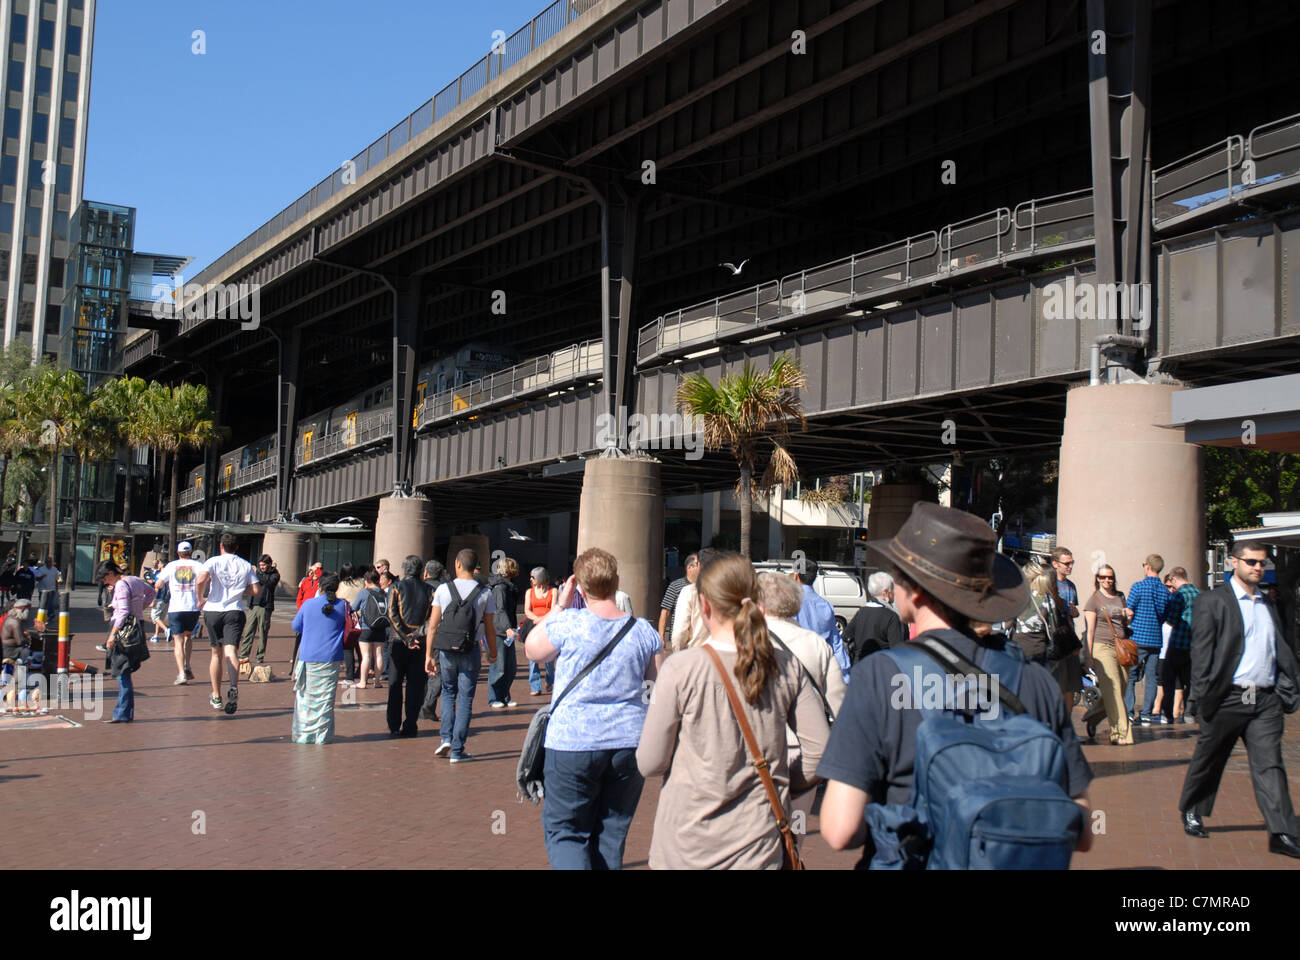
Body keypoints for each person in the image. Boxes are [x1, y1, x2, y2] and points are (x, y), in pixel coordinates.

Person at [818, 502, 1093, 865]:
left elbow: (840, 830)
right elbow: (1084, 831)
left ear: (913, 591)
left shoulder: (881, 676)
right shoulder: (1036, 682)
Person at [637, 553, 829, 869]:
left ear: (705, 605)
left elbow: (650, 762)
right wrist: (781, 780)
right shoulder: (785, 665)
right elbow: (819, 751)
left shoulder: (681, 669)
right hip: (759, 846)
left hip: (686, 846)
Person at [525, 548, 662, 868]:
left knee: (566, 832)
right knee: (611, 834)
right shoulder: (643, 631)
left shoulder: (569, 623)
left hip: (573, 741)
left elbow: (532, 649)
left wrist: (559, 604)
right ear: (617, 582)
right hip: (628, 742)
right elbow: (653, 692)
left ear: (580, 586)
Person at [1179, 542, 1300, 857]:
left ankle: (1282, 832)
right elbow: (1202, 653)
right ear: (1233, 562)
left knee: (1270, 765)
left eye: (1262, 563)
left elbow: (1279, 646)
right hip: (1227, 697)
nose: (1258, 568)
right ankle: (1192, 809)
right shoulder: (1213, 601)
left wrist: (1290, 680)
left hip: (1265, 700)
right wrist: (1199, 699)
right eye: (1251, 562)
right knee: (1211, 757)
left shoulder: (1267, 603)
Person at [426, 549, 496, 762]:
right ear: (475, 567)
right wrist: (492, 653)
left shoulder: (443, 590)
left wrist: (429, 654)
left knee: (448, 692)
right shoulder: (485, 593)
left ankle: (445, 738)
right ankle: (457, 750)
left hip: (446, 649)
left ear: (457, 564)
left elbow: (432, 626)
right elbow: (490, 628)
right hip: (470, 648)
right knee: (466, 699)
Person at [195, 533, 261, 715]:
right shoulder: (246, 564)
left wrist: (200, 598)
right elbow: (256, 589)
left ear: (221, 546)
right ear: (237, 547)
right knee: (231, 650)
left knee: (216, 653)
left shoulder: (213, 561)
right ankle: (233, 686)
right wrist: (240, 590)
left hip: (213, 609)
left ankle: (216, 695)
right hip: (235, 610)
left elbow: (200, 580)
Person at [290, 571, 349, 744]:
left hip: (309, 657)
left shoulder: (308, 604)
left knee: (305, 699)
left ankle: (303, 735)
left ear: (320, 586)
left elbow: (296, 626)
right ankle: (322, 736)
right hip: (331, 657)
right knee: (326, 700)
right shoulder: (343, 606)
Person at [1080, 564, 1134, 744]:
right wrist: (1088, 656)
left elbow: (1124, 624)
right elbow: (1090, 631)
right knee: (1114, 689)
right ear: (1097, 579)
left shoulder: (1120, 597)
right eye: (1102, 577)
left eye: (1109, 577)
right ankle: (1120, 733)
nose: (1106, 580)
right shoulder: (1093, 600)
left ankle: (1093, 716)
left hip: (1121, 647)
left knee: (1120, 689)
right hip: (1101, 647)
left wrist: (1128, 616)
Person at [98, 561, 156, 724]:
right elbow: (151, 592)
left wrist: (112, 635)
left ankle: (122, 713)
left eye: (104, 578)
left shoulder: (121, 586)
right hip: (136, 626)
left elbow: (123, 611)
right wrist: (140, 608)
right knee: (125, 671)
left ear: (110, 573)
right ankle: (126, 712)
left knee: (122, 671)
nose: (104, 582)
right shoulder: (134, 580)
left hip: (123, 630)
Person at [386, 555, 432, 737]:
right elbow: (431, 619)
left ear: (405, 569)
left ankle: (393, 723)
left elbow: (392, 615)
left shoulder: (396, 587)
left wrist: (406, 636)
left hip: (398, 641)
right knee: (416, 685)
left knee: (395, 684)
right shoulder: (429, 590)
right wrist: (417, 634)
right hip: (419, 642)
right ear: (421, 570)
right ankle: (411, 723)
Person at [1125, 553, 1171, 725]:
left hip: (1138, 637)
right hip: (1156, 639)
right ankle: (1146, 712)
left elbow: (1129, 609)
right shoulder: (1165, 591)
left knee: (1131, 675)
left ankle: (1129, 711)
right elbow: (1166, 615)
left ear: (1148, 567)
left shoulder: (1138, 587)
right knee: (1151, 677)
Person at [789, 559, 852, 681]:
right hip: (822, 666)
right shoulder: (825, 605)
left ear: (796, 576)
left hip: (797, 667)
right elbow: (835, 641)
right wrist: (844, 675)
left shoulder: (791, 603)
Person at [156, 542, 204, 686]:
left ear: (178, 553)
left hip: (176, 607)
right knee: (188, 636)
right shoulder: (199, 566)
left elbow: (159, 583)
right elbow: (207, 580)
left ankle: (181, 673)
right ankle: (187, 664)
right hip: (193, 607)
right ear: (191, 552)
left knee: (178, 641)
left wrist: (157, 585)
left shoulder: (171, 566)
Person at [1161, 567, 1199, 724]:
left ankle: (1168, 714)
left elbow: (1171, 619)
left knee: (1169, 680)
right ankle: (1190, 713)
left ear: (1174, 579)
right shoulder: (1200, 594)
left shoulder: (1178, 595)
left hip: (1178, 643)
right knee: (1190, 681)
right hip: (1195, 645)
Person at [844, 571, 906, 663]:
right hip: (881, 667)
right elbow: (897, 650)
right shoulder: (891, 617)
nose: (894, 592)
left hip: (859, 665)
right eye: (893, 589)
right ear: (885, 592)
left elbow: (846, 636)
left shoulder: (861, 612)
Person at [670, 548, 719, 652]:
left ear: (699, 565)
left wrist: (678, 654)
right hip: (721, 656)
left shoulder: (689, 591)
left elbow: (680, 632)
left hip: (695, 654)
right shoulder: (726, 591)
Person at [418, 559, 449, 719]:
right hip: (435, 635)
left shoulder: (419, 587)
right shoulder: (445, 590)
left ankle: (419, 704)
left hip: (417, 634)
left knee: (419, 672)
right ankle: (427, 705)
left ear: (426, 573)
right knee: (435, 672)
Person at [487, 556, 520, 708]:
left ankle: (505, 695)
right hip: (499, 630)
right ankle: (494, 697)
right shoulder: (500, 588)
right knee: (499, 667)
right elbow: (500, 610)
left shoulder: (509, 587)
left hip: (507, 630)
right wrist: (507, 627)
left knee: (510, 667)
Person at [239, 554, 280, 668]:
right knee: (248, 631)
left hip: (265, 606)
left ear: (269, 564)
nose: (262, 567)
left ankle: (260, 655)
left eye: (264, 565)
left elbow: (268, 582)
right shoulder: (257, 573)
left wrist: (257, 573)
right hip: (253, 604)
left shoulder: (274, 574)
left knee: (262, 631)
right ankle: (244, 654)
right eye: (260, 565)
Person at [524, 567, 557, 695]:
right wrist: (536, 619)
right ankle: (535, 686)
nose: (531, 579)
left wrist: (542, 620)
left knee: (549, 657)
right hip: (533, 626)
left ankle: (550, 679)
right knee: (532, 657)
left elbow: (554, 609)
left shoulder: (553, 591)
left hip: (547, 626)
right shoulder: (529, 592)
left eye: (533, 577)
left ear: (540, 577)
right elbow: (527, 610)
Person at [354, 569, 388, 690]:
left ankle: (363, 682)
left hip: (366, 627)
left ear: (367, 580)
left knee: (366, 656)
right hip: (381, 627)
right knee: (379, 655)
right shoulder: (384, 593)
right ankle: (377, 681)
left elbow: (354, 607)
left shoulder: (364, 593)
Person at [658, 553, 699, 648]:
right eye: (698, 564)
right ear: (689, 567)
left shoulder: (704, 587)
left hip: (697, 640)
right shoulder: (675, 586)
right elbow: (665, 612)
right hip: (680, 640)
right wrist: (661, 637)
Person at [32, 556, 59, 626]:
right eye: (48, 562)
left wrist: (56, 589)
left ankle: (51, 614)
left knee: (50, 602)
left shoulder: (55, 569)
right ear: (46, 563)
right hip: (42, 589)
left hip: (51, 589)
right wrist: (42, 576)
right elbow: (37, 579)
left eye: (51, 562)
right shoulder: (41, 569)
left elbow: (56, 580)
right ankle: (43, 614)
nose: (49, 564)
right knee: (42, 602)